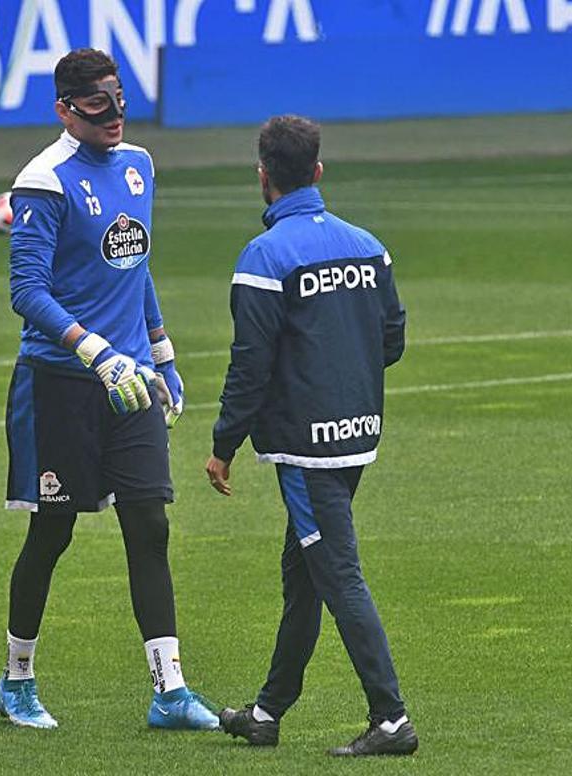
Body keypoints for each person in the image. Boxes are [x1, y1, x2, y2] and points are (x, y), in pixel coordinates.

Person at [0, 48, 216, 732]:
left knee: (149, 524)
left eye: (120, 104)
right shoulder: (44, 182)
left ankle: (169, 691)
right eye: (97, 109)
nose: (115, 119)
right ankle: (16, 680)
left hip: (131, 385)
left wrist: (161, 353)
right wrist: (97, 355)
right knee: (51, 532)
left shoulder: (141, 166)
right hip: (61, 386)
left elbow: (134, 263)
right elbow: (26, 291)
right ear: (64, 109)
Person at [204, 115, 417, 756]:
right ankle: (268, 712)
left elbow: (251, 365)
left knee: (338, 573)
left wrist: (223, 444)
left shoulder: (265, 257)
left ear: (263, 175)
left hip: (306, 449)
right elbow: (392, 341)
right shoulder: (367, 245)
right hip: (357, 435)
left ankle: (391, 720)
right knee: (305, 574)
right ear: (318, 171)